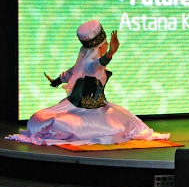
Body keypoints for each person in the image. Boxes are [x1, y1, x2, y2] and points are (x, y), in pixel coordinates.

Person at [7, 20, 171, 146]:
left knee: (129, 121)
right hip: (84, 109)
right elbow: (94, 66)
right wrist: (110, 53)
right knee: (52, 121)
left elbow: (70, 73)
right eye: (105, 44)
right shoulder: (89, 64)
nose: (107, 45)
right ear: (99, 46)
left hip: (99, 106)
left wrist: (57, 81)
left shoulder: (86, 62)